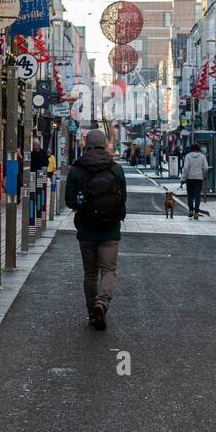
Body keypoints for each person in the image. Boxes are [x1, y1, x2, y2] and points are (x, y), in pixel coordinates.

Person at [64, 128, 127, 330]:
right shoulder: (115, 169)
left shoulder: (77, 169)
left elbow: (70, 201)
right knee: (108, 270)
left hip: (86, 229)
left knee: (90, 273)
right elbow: (123, 198)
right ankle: (103, 302)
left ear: (86, 144)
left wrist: (83, 205)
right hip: (110, 229)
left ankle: (92, 312)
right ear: (105, 144)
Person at [181, 143, 209, 218]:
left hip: (189, 178)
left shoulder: (188, 156)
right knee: (197, 195)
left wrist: (183, 179)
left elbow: (186, 168)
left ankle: (190, 211)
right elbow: (206, 167)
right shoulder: (202, 156)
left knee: (190, 195)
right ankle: (196, 212)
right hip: (199, 178)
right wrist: (203, 175)